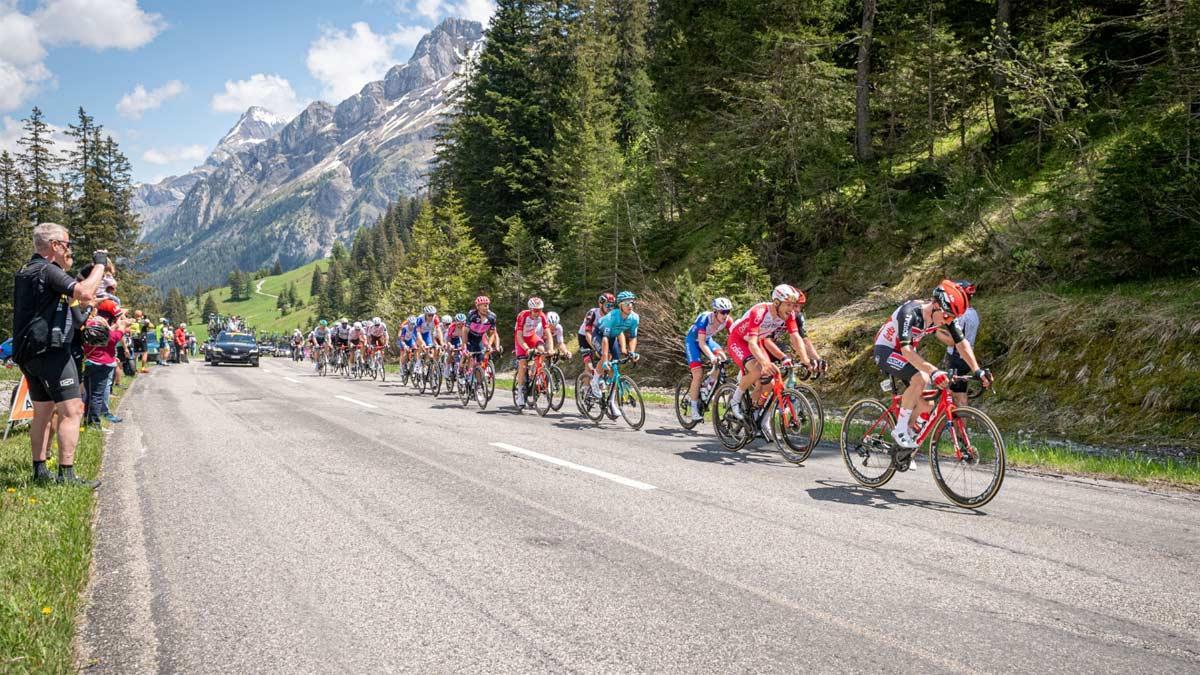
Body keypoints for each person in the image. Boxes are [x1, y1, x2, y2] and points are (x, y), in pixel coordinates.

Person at [11, 222, 107, 487]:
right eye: (67, 245)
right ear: (54, 246)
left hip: (28, 354)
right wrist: (100, 264)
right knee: (72, 409)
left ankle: (40, 471)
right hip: (51, 351)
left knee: (42, 412)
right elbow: (85, 292)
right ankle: (66, 475)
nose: (69, 251)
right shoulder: (48, 270)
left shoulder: (27, 270)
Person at [873, 279, 993, 450]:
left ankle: (903, 445)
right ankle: (899, 430)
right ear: (935, 305)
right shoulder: (911, 312)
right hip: (886, 349)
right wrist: (934, 371)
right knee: (921, 378)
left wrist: (978, 370)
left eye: (952, 318)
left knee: (927, 403)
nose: (948, 321)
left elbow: (961, 343)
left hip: (906, 352)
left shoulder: (945, 315)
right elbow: (906, 351)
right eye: (946, 316)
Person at [726, 285, 814, 422]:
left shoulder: (788, 315)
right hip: (739, 340)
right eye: (788, 304)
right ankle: (735, 401)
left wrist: (806, 360)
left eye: (793, 305)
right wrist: (764, 362)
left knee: (771, 384)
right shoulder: (760, 311)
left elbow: (796, 338)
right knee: (759, 369)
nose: (792, 309)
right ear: (777, 302)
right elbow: (752, 343)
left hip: (757, 341)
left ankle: (761, 419)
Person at [684, 297, 734, 422]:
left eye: (728, 311)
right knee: (698, 373)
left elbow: (734, 338)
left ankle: (708, 385)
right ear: (715, 311)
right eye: (723, 312)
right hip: (693, 342)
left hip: (707, 340)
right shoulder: (705, 318)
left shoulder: (728, 320)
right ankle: (694, 407)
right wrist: (711, 357)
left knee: (722, 358)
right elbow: (701, 343)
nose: (726, 315)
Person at [590, 291, 640, 416]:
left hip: (612, 338)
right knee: (605, 356)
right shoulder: (612, 316)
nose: (630, 305)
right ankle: (595, 380)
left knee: (615, 368)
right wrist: (605, 359)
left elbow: (633, 337)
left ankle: (611, 402)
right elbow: (605, 339)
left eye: (632, 303)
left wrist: (632, 352)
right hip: (599, 336)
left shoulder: (634, 318)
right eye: (627, 303)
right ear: (620, 305)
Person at [82, 299, 129, 426]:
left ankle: (86, 419)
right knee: (97, 395)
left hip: (90, 360)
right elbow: (111, 339)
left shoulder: (91, 322)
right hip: (102, 363)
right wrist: (122, 329)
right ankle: (94, 424)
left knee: (88, 393)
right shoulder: (102, 324)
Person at [937, 280, 980, 409]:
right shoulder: (974, 313)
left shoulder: (961, 315)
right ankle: (959, 425)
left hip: (956, 357)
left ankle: (957, 426)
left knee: (956, 395)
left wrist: (937, 332)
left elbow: (952, 341)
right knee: (959, 392)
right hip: (967, 355)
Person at [513, 297, 554, 408]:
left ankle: (538, 373)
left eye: (540, 310)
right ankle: (521, 392)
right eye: (535, 310)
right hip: (521, 339)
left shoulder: (542, 316)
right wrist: (527, 349)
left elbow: (548, 333)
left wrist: (550, 348)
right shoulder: (523, 315)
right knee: (522, 363)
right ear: (530, 309)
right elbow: (519, 335)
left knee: (542, 351)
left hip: (532, 337)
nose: (537, 312)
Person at [578, 293, 614, 380]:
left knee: (607, 357)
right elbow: (588, 334)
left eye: (612, 305)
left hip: (598, 337)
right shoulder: (592, 313)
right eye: (608, 305)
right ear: (600, 304)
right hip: (585, 337)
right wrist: (595, 349)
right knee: (589, 366)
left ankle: (600, 379)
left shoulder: (611, 316)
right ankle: (586, 388)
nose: (610, 308)